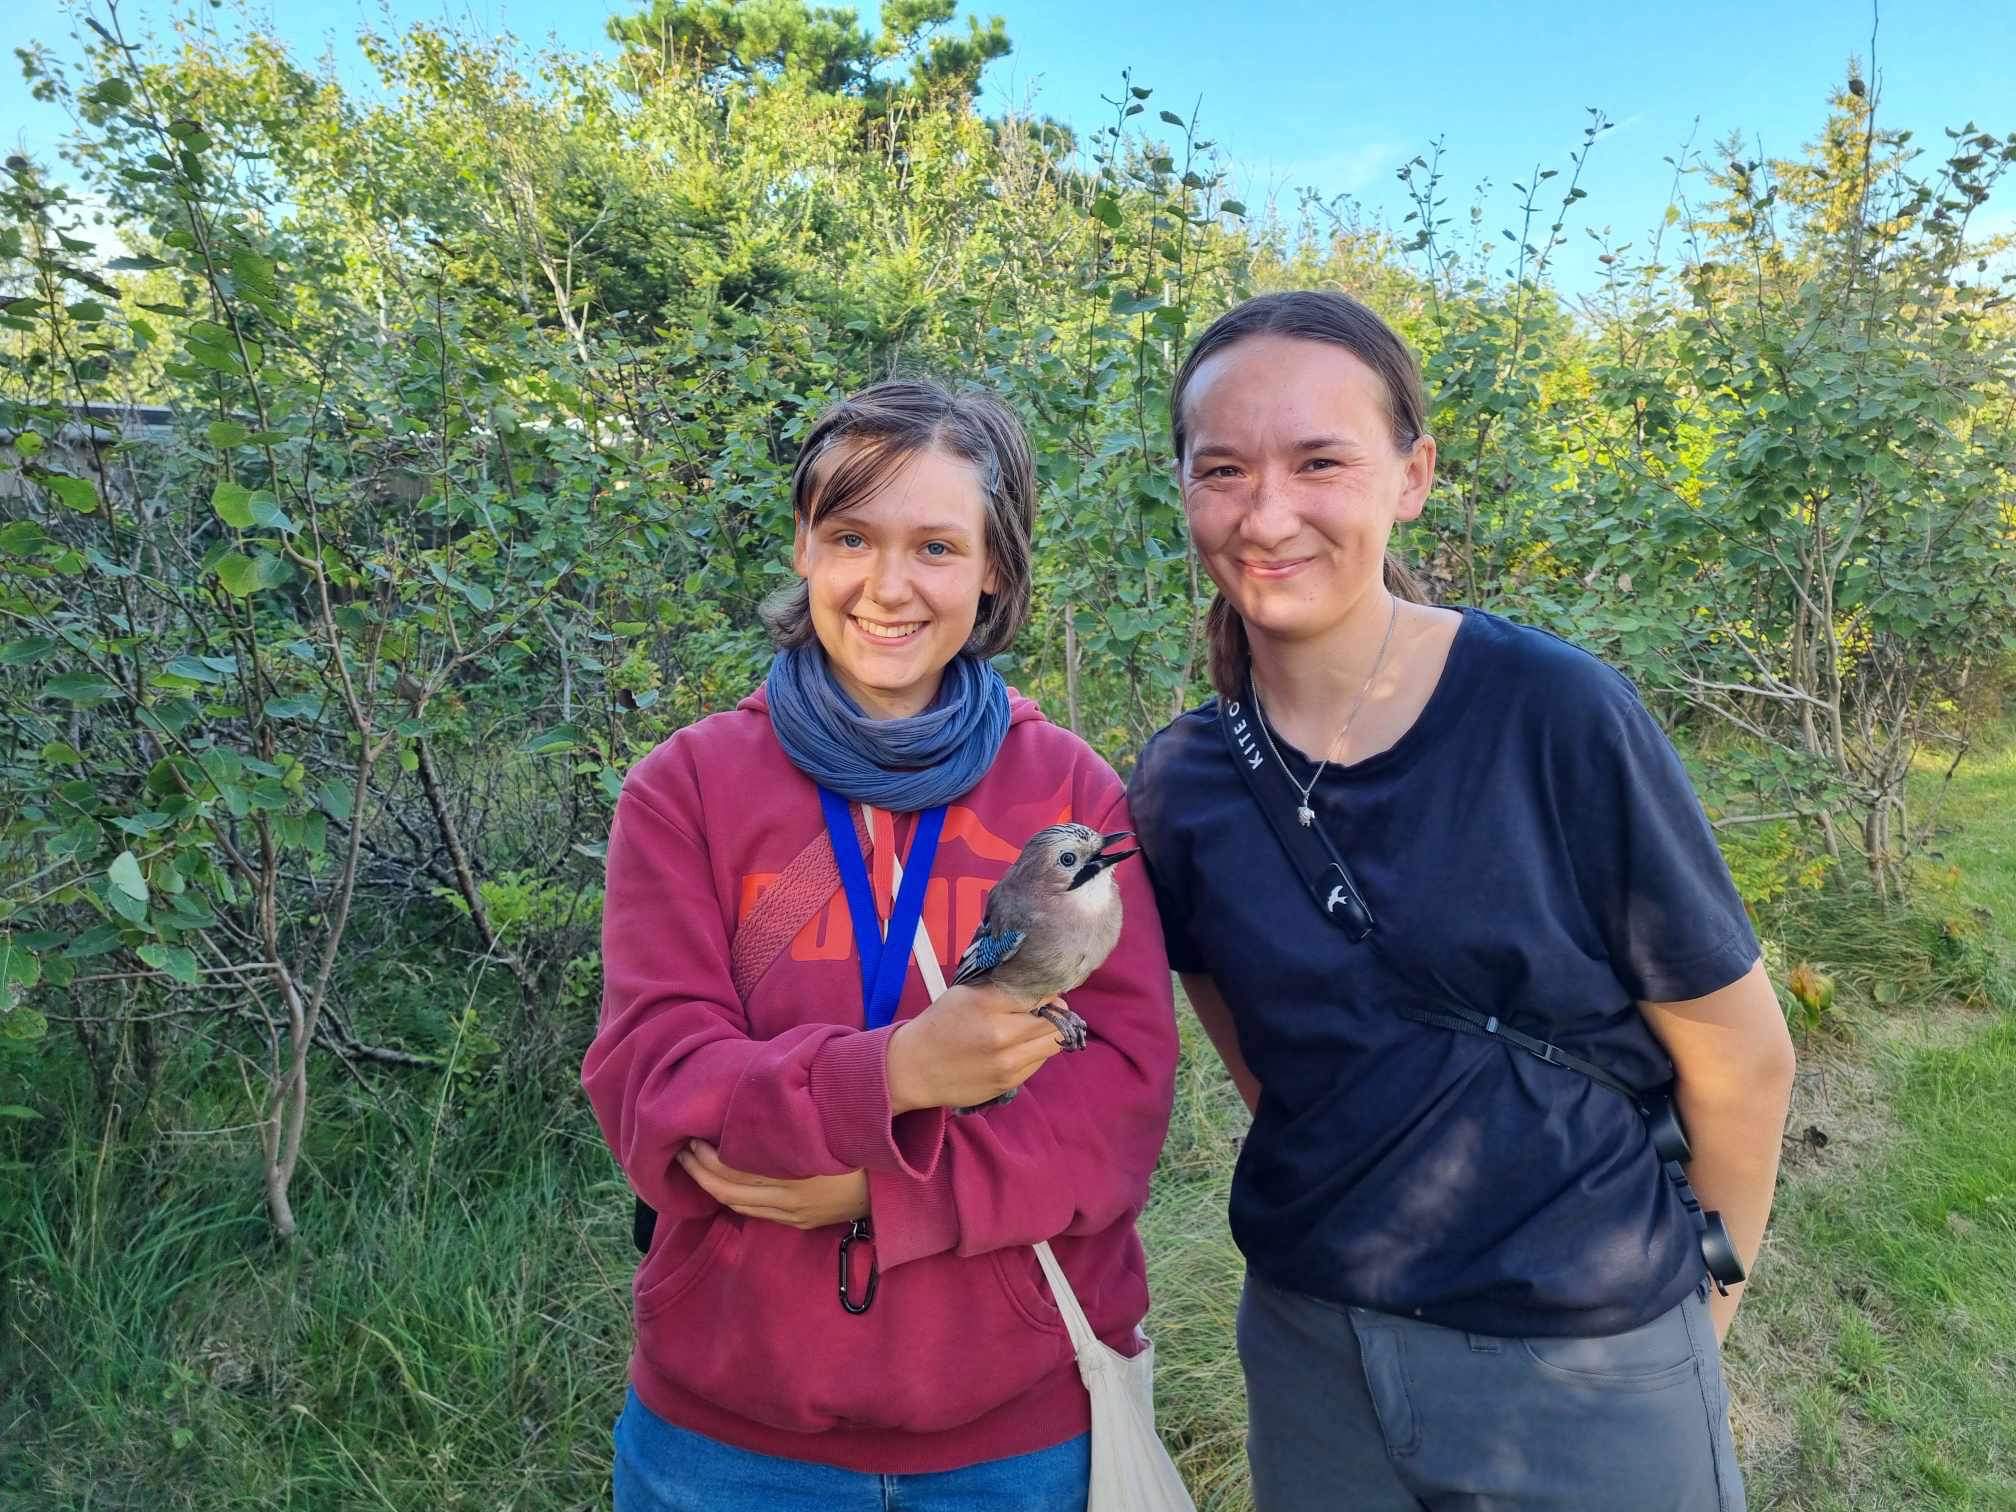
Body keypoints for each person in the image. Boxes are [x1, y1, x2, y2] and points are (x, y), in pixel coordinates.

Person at [1126, 292, 1796, 1512]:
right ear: (1184, 491)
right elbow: (1278, 1067)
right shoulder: (1183, 786)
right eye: (1223, 469)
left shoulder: (1555, 714)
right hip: (1314, 1347)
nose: (1267, 513)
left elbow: (1742, 1061)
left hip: (1590, 1353)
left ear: (1412, 474)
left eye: (1320, 460)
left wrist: (1707, 1301)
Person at [582, 377, 1178, 1510]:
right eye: (852, 535)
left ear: (995, 569)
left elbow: (1119, 1107)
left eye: (938, 546)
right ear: (806, 545)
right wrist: (896, 1073)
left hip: (1020, 1431)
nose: (889, 586)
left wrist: (882, 1192)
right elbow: (656, 1087)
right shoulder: (689, 788)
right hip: (731, 1437)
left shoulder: (1068, 791)